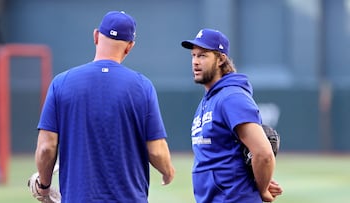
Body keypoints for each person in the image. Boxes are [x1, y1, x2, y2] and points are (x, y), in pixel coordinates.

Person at [34, 11, 175, 202]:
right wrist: (167, 171)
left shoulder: (61, 83)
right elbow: (156, 150)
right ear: (129, 47)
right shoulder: (143, 86)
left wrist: (44, 186)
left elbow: (46, 147)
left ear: (95, 36)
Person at [181, 28, 283, 202]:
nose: (196, 62)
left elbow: (263, 153)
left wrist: (263, 189)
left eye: (203, 55)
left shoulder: (232, 97)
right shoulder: (210, 99)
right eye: (193, 56)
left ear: (221, 59)